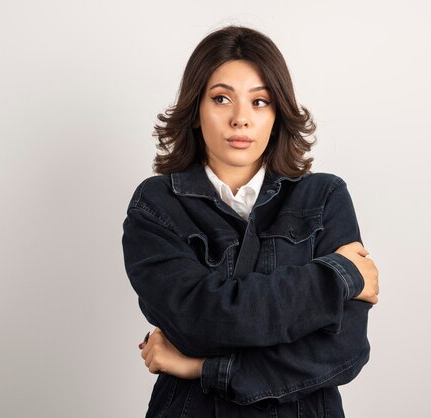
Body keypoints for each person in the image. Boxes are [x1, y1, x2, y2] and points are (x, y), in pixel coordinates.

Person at [122, 25, 379, 418]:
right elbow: (199, 321)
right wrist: (339, 277)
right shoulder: (156, 205)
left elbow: (343, 352)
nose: (241, 119)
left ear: (278, 114)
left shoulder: (324, 197)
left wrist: (201, 367)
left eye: (260, 102)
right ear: (195, 111)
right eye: (221, 98)